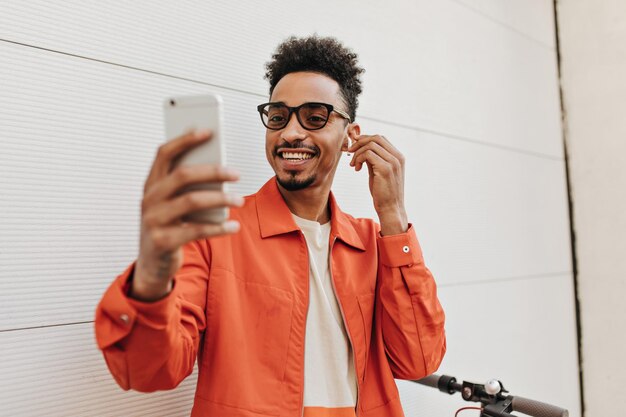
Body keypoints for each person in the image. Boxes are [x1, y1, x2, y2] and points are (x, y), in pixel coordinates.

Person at [95, 35, 446, 417]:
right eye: (278, 116)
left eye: (315, 117)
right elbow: (150, 372)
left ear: (351, 136)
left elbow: (419, 360)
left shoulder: (374, 243)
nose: (291, 133)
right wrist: (151, 272)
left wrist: (392, 213)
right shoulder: (215, 233)